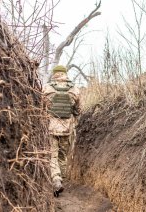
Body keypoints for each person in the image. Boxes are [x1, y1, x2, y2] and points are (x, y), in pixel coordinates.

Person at [43, 65, 80, 197]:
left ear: (54, 74)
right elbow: (77, 110)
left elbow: (41, 108)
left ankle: (56, 180)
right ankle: (60, 180)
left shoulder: (47, 89)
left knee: (52, 156)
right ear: (65, 74)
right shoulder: (74, 89)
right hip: (67, 129)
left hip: (51, 128)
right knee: (62, 156)